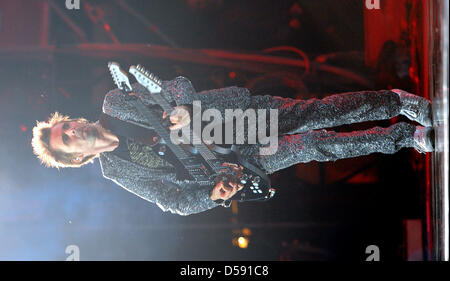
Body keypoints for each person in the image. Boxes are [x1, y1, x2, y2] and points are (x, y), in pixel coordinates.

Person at [31, 76, 434, 215]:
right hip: (234, 164)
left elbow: (169, 85)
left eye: (65, 126)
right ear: (77, 157)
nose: (71, 132)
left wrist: (183, 106)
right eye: (65, 141)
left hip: (231, 118)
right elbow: (171, 200)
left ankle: (396, 102)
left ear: (74, 120)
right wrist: (214, 194)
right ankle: (404, 137)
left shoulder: (114, 104)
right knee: (314, 147)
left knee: (315, 114)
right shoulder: (116, 171)